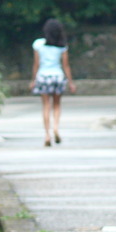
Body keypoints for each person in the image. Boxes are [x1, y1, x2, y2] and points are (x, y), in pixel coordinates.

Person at [30, 19, 76, 147]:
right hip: (57, 76)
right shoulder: (62, 46)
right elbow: (66, 66)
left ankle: (47, 134)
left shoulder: (38, 44)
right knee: (56, 105)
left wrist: (33, 80)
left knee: (46, 106)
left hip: (43, 76)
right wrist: (71, 83)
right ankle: (56, 127)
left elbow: (36, 64)